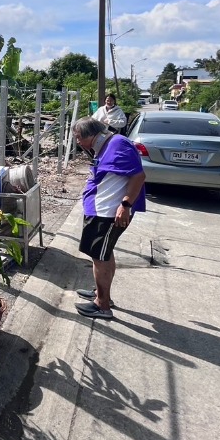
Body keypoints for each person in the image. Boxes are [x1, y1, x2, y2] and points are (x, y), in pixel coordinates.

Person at [71, 117, 146, 319]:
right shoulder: (105, 145)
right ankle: (101, 293)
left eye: (78, 138)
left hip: (108, 214)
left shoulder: (118, 144)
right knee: (104, 253)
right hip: (100, 210)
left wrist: (126, 205)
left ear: (91, 135)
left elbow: (138, 176)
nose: (77, 142)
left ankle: (102, 305)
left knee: (100, 258)